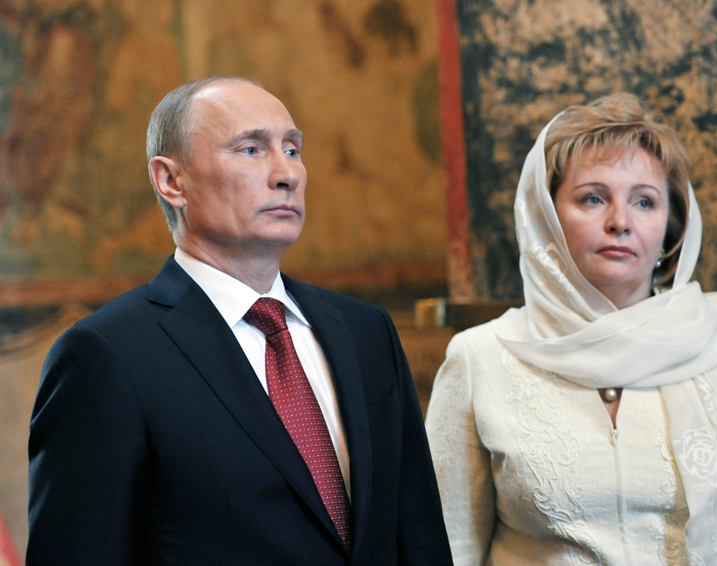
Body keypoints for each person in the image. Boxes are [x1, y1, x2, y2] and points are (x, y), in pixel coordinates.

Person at [27, 76, 453, 566]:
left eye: (292, 150)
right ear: (171, 181)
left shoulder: (364, 332)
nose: (285, 174)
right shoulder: (107, 355)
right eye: (250, 149)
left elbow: (418, 539)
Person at [425, 93, 717, 565]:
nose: (621, 222)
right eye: (593, 198)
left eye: (644, 201)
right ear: (546, 219)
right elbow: (446, 546)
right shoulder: (482, 357)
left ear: (669, 227)